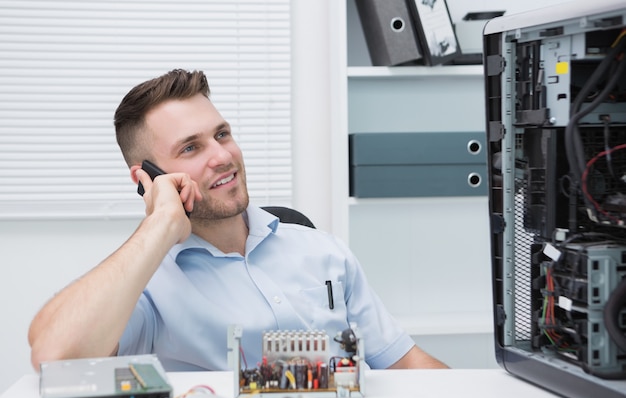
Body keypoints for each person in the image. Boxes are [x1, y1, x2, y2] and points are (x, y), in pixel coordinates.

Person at [28, 69, 447, 371]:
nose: (223, 156)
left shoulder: (323, 251)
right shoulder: (149, 286)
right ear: (147, 177)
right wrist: (160, 223)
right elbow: (54, 354)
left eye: (222, 134)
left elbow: (404, 362)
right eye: (190, 148)